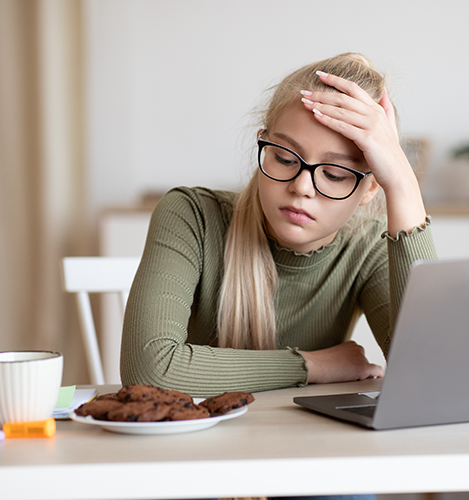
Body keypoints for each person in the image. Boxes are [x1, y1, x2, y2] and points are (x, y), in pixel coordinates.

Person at [120, 53, 437, 500]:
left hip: (308, 461)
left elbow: (428, 380)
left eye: (334, 172)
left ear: (369, 189)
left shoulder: (367, 247)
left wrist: (403, 185)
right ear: (262, 144)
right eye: (286, 157)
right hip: (193, 460)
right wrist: (314, 365)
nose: (302, 186)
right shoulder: (191, 214)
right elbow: (151, 367)